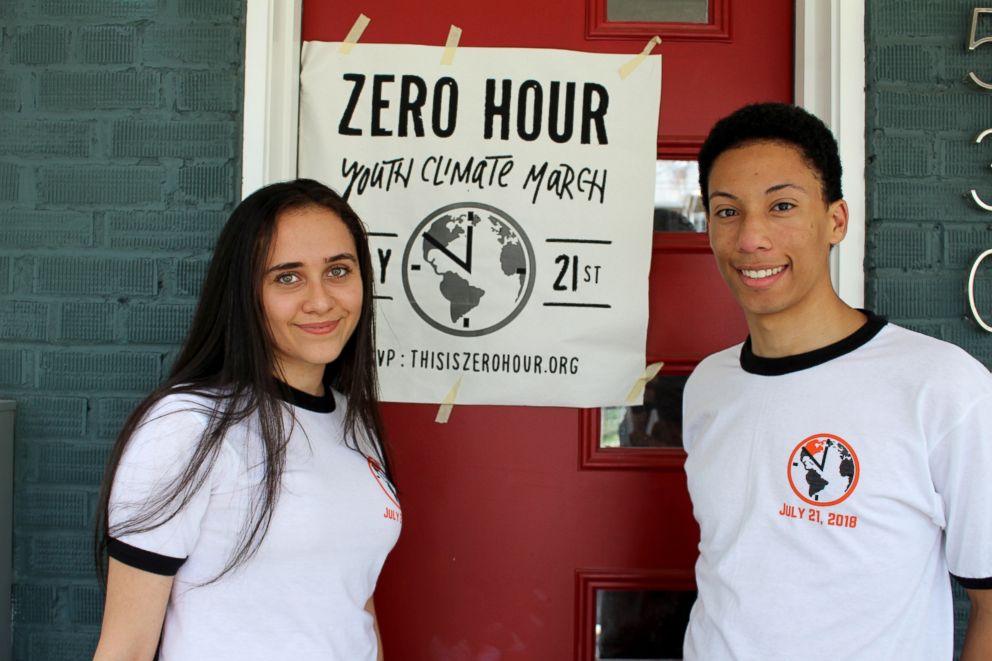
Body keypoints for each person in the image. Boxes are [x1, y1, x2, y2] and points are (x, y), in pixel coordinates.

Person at [682, 102, 992, 660]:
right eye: (727, 212)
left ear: (836, 221)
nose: (751, 238)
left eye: (782, 206)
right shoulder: (708, 386)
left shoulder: (942, 387)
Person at [92, 179, 401, 660]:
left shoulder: (353, 425)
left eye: (338, 271)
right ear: (244, 293)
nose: (321, 300)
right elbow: (126, 648)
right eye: (287, 277)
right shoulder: (189, 426)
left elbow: (351, 601)